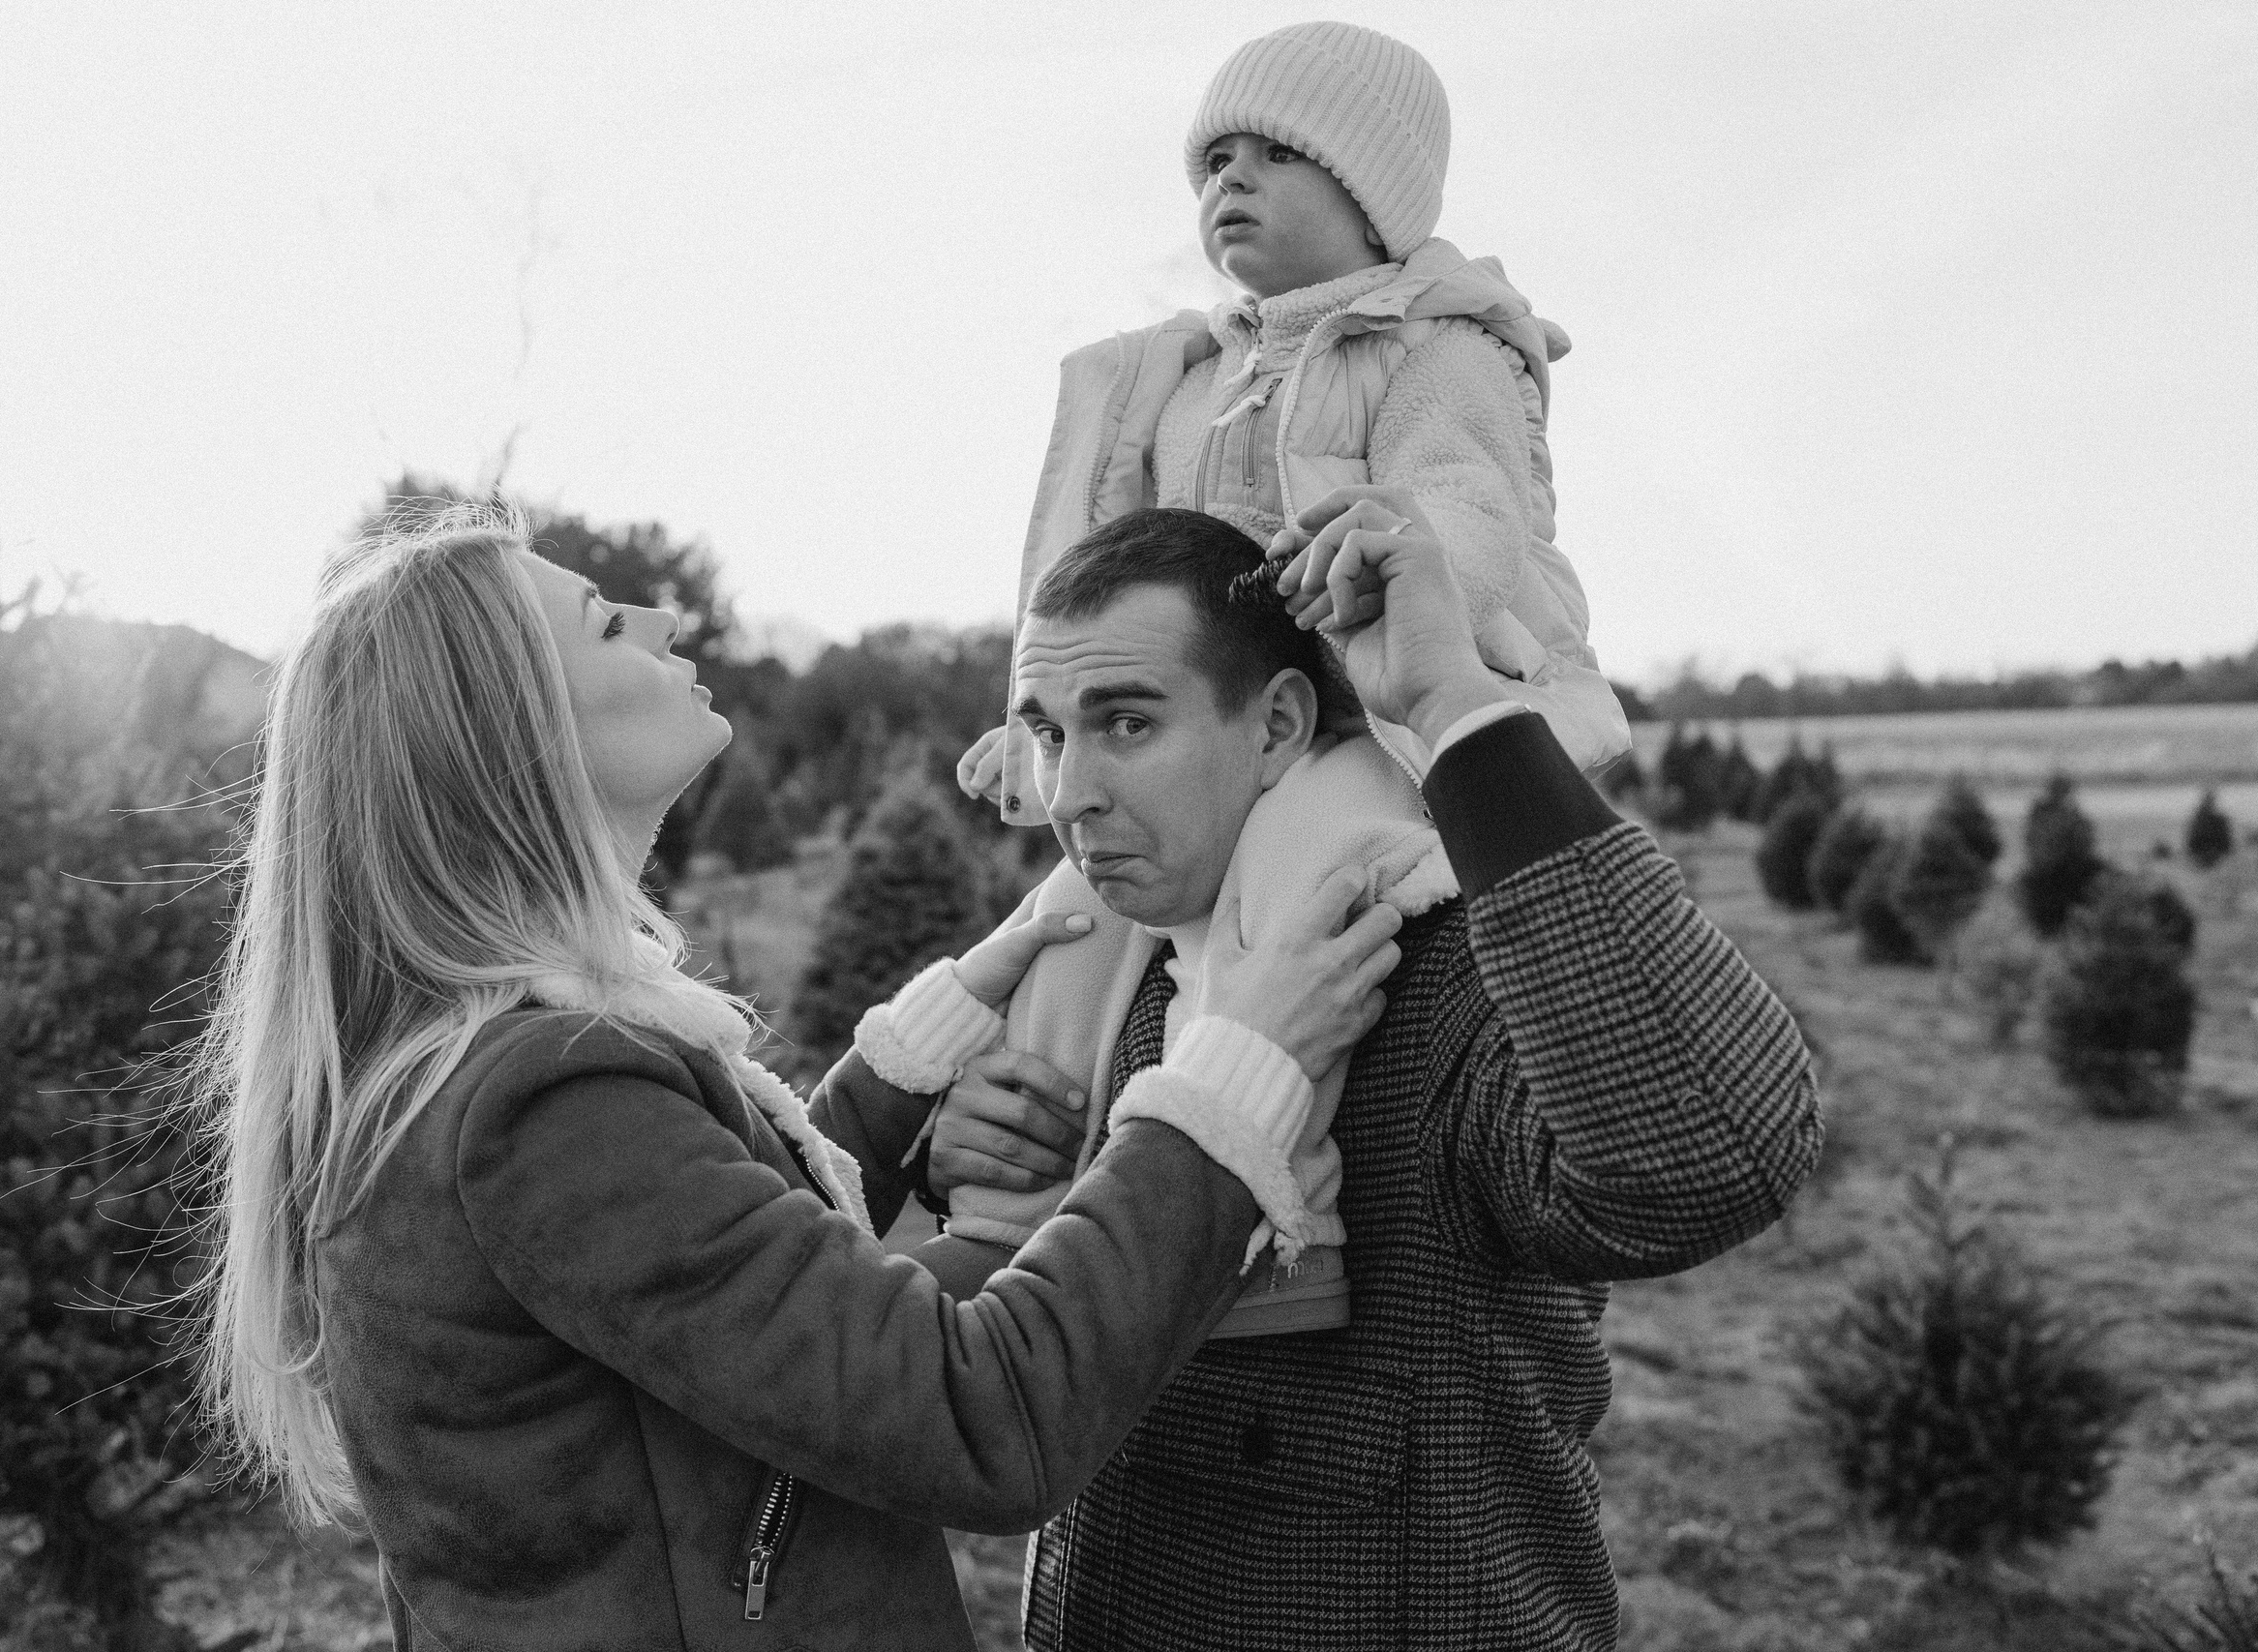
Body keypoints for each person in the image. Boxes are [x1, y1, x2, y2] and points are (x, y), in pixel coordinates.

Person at [185, 503, 1403, 1651]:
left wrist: (899, 1079)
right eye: (608, 623)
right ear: (505, 729)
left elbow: (708, 1287)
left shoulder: (485, 1066)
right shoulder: (543, 1105)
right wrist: (1234, 1068)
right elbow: (984, 1420)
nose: (666, 622)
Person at [929, 494, 1821, 1651]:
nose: (1067, 793)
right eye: (1046, 731)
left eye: (1128, 723)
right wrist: (951, 1163)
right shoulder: (1100, 987)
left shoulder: (1414, 967)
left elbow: (1709, 1161)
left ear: (1280, 724)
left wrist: (1453, 704)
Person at [927, 20, 1632, 1324]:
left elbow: (1473, 512)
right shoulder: (1190, 379)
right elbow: (1111, 585)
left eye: (1275, 156)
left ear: (1375, 193)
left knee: (1293, 890)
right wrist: (1040, 719)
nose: (1228, 186)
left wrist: (1392, 546)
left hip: (1369, 718)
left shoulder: (1433, 350)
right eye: (1212, 161)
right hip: (1221, 719)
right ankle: (1012, 1229)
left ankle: (1278, 1213)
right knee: (1072, 935)